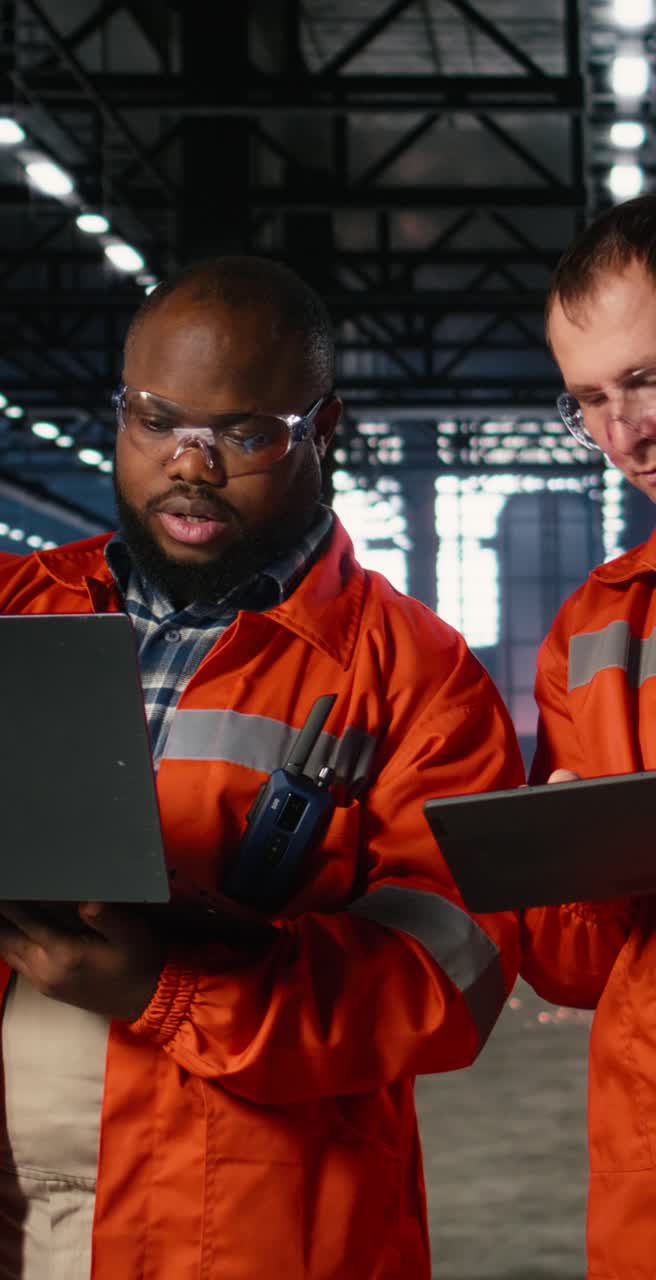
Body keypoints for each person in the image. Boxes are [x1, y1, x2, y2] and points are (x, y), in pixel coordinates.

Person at [0, 255, 523, 1280]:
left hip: (240, 1233)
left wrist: (163, 986)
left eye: (244, 432)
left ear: (323, 429)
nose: (189, 463)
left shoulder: (419, 677)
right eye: (156, 419)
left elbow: (453, 977)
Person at [520, 195, 656, 1279]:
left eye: (647, 379)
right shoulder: (592, 631)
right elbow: (572, 969)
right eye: (589, 401)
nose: (624, 434)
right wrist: (568, 855)